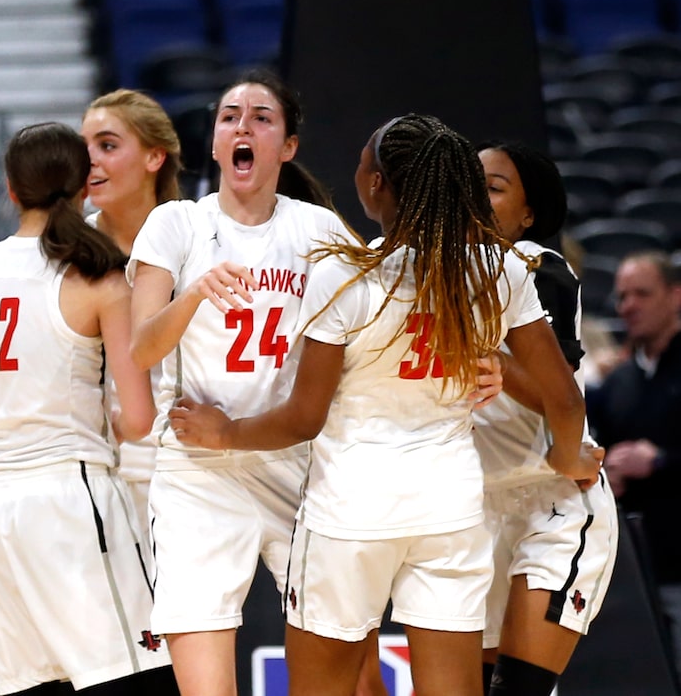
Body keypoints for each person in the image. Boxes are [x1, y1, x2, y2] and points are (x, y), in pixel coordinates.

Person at [167, 113, 601, 696]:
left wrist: (225, 433)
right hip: (450, 508)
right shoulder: (499, 270)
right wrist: (568, 458)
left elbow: (303, 419)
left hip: (351, 511)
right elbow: (565, 400)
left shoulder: (344, 273)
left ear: (376, 185)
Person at [126, 69, 377, 696]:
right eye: (230, 116)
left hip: (295, 465)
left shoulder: (318, 231)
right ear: (214, 143)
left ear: (286, 147)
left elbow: (377, 328)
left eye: (261, 117)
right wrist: (193, 295)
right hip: (198, 474)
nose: (243, 125)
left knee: (356, 677)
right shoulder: (176, 225)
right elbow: (140, 347)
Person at [0, 121, 167, 696]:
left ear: (10, 190)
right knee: (131, 677)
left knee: (34, 688)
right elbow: (138, 419)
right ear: (83, 187)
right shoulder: (98, 274)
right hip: (71, 499)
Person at [473, 141, 618, 696]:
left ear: (527, 215)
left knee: (518, 690)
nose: (476, 197)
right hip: (476, 508)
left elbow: (556, 393)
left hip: (550, 496)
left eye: (494, 187)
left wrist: (493, 362)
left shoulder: (538, 267)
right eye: (471, 184)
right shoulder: (432, 277)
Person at [80, 88, 183, 695]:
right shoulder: (65, 250)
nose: (90, 161)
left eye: (108, 145)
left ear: (154, 157)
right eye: (85, 147)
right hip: (101, 471)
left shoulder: (202, 231)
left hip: (197, 461)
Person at [588, 249, 681, 679]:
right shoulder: (617, 381)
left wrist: (660, 461)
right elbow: (590, 449)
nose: (628, 306)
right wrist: (605, 474)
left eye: (642, 293)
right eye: (623, 296)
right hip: (635, 572)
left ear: (676, 296)